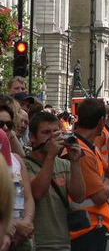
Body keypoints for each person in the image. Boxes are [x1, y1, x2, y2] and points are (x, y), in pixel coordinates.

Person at [24, 112, 86, 251]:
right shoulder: (24, 165)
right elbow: (37, 193)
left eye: (56, 132)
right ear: (32, 137)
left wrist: (75, 162)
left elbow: (79, 196)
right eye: (46, 133)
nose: (52, 137)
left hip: (63, 242)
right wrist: (51, 156)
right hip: (36, 243)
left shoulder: (63, 165)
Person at [71, 98, 109, 251]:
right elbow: (100, 196)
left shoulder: (91, 148)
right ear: (101, 121)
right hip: (84, 230)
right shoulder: (81, 152)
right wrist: (105, 180)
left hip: (93, 227)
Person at [0, 104, 34, 251]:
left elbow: (28, 197)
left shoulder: (17, 159)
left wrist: (26, 222)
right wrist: (14, 224)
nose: (6, 128)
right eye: (1, 124)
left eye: (9, 124)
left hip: (21, 237)